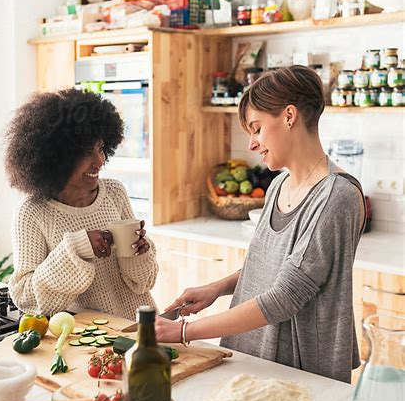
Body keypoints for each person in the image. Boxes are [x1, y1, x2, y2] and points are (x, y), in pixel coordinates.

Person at [156, 66, 366, 383]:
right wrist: (217, 289)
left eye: (256, 128)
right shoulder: (279, 186)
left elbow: (286, 296)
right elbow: (271, 266)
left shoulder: (338, 196)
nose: (252, 143)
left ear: (289, 116)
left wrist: (185, 331)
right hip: (251, 353)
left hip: (297, 370)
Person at [4, 88, 158, 319]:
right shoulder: (32, 213)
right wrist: (76, 249)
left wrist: (140, 252)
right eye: (86, 152)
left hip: (142, 327)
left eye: (100, 148)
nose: (100, 161)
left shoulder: (114, 192)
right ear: (58, 157)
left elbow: (143, 283)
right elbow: (26, 298)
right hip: (88, 341)